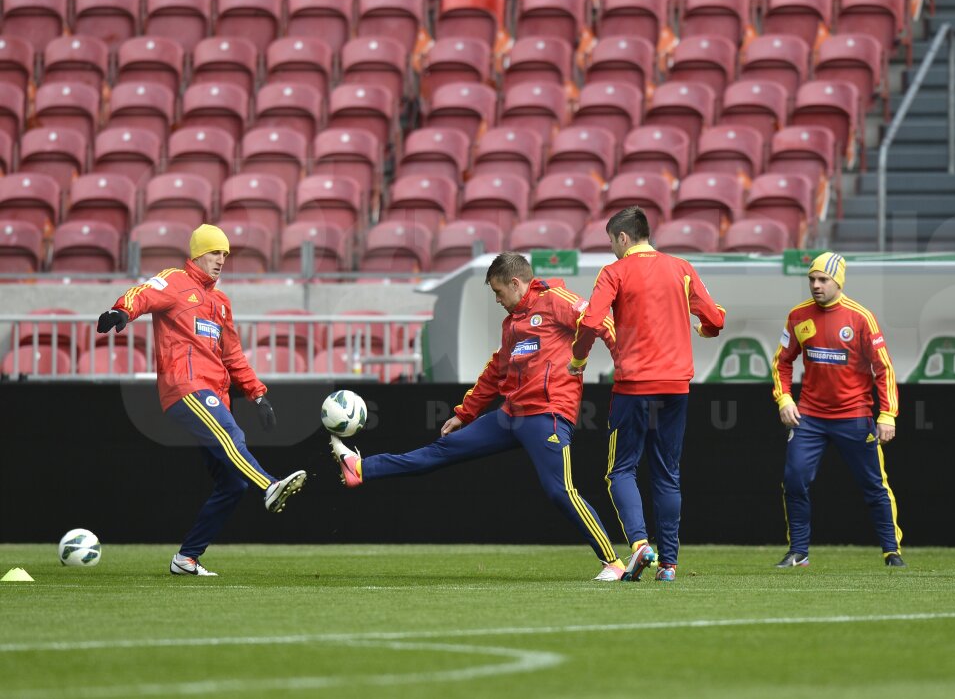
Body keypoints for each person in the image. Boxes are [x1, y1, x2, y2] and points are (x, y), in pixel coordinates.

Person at [329, 253, 626, 581]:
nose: (497, 299)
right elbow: (495, 371)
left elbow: (601, 320)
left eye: (499, 292)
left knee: (560, 491)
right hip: (509, 417)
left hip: (547, 414)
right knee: (439, 451)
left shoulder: (556, 300)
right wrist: (464, 414)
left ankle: (612, 562)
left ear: (515, 284)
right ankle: (360, 469)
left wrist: (622, 363)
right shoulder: (512, 322)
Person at [95, 224, 307, 577]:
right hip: (185, 386)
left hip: (215, 394)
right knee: (232, 436)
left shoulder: (221, 304)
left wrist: (258, 396)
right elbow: (143, 294)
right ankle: (269, 485)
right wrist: (122, 311)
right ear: (196, 254)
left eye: (225, 254)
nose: (221, 260)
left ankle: (186, 558)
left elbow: (233, 355)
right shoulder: (176, 281)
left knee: (232, 483)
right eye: (214, 253)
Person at [567, 207, 726, 582]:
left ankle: (640, 547)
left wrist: (577, 359)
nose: (611, 249)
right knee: (668, 473)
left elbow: (590, 321)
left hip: (633, 387)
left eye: (611, 241)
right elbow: (715, 319)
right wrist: (704, 331)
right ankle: (668, 566)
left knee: (621, 469)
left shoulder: (614, 272)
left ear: (623, 238)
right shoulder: (681, 268)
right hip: (676, 387)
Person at [770, 252, 904, 569]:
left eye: (822, 280)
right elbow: (781, 362)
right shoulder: (798, 316)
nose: (816, 285)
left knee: (874, 485)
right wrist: (784, 399)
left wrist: (887, 415)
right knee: (794, 480)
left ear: (838, 282)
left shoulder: (860, 318)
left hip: (855, 417)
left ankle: (891, 551)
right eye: (812, 280)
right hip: (811, 418)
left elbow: (884, 369)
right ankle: (798, 552)